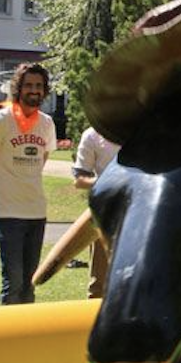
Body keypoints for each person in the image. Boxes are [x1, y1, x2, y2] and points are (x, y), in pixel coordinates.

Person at [0, 62, 56, 304]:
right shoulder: (0, 120)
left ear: (45, 90)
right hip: (7, 212)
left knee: (30, 283)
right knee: (13, 283)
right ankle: (5, 339)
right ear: (18, 88)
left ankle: (26, 338)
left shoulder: (46, 123)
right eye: (29, 85)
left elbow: (40, 161)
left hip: (36, 211)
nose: (34, 90)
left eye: (39, 86)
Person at [72, 126, 120, 298]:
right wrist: (111, 181)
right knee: (99, 283)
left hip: (140, 218)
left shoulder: (144, 129)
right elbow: (79, 180)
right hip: (104, 216)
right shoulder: (92, 135)